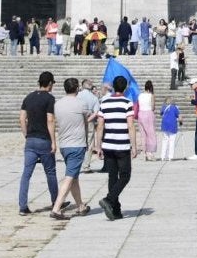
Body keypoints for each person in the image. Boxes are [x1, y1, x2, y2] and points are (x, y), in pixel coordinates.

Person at [52, 77, 98, 219]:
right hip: (77, 144)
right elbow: (86, 120)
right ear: (77, 88)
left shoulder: (58, 104)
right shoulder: (81, 104)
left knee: (74, 177)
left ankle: (80, 206)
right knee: (70, 176)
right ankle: (56, 208)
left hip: (64, 144)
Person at [18, 72, 58, 215]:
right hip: (44, 140)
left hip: (30, 140)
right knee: (50, 172)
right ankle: (56, 201)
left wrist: (26, 135)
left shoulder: (28, 97)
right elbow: (50, 120)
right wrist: (54, 141)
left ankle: (22, 206)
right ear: (50, 84)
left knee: (26, 174)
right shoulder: (50, 99)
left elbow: (22, 118)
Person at [96, 75, 135, 220]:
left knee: (112, 176)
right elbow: (130, 125)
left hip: (108, 145)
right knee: (125, 175)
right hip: (122, 144)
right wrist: (134, 146)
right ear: (125, 87)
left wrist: (98, 146)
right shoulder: (127, 102)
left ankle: (116, 210)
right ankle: (109, 199)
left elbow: (100, 126)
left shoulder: (104, 102)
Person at [160, 95, 180, 161]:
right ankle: (170, 156)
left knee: (165, 141)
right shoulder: (174, 107)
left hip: (165, 125)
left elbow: (161, 113)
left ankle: (162, 156)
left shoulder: (164, 107)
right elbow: (178, 115)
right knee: (172, 141)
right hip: (172, 126)